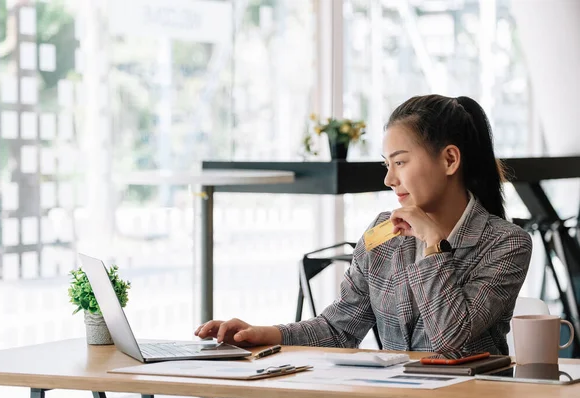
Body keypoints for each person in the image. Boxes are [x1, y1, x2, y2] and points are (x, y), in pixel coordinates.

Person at [194, 94, 533, 355]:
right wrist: (266, 334)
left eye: (400, 161)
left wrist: (432, 243)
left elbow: (450, 335)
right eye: (387, 164)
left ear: (449, 159)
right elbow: (340, 328)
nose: (389, 178)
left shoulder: (506, 244)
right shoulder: (384, 233)